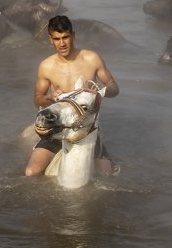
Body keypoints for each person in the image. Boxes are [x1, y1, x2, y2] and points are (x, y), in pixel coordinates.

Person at [25, 15, 120, 177]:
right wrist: (50, 97)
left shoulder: (92, 59)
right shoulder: (46, 66)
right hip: (58, 127)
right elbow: (37, 98)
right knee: (31, 172)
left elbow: (114, 88)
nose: (62, 43)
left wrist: (98, 92)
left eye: (65, 37)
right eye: (57, 39)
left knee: (107, 175)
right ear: (51, 39)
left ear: (73, 35)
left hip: (86, 128)